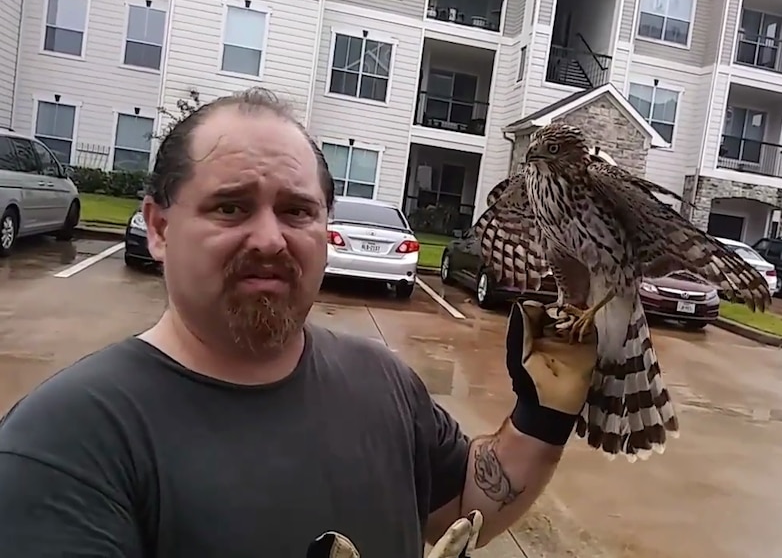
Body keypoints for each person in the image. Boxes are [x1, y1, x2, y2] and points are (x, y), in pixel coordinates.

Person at [0, 88, 596, 557]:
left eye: (297, 211)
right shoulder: (65, 441)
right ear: (158, 228)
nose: (269, 238)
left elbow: (465, 504)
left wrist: (544, 417)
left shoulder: (382, 381)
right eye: (230, 206)